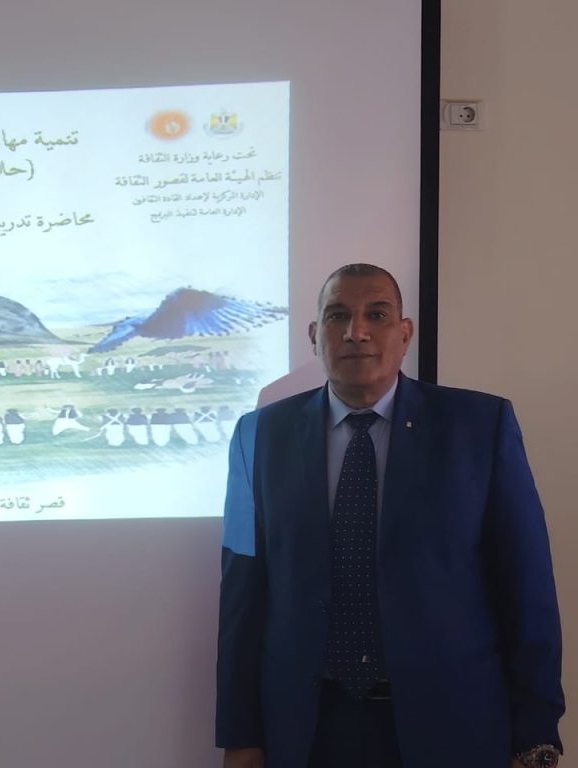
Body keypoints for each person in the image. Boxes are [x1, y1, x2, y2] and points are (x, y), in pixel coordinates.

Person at [216, 264, 564, 768]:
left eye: (376, 315)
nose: (356, 331)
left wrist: (536, 738)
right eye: (338, 315)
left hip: (453, 725)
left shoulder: (478, 428)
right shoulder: (259, 436)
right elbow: (242, 598)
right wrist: (241, 735)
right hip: (308, 727)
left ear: (405, 334)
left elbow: (527, 590)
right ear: (314, 335)